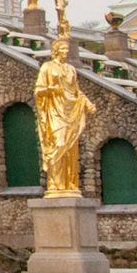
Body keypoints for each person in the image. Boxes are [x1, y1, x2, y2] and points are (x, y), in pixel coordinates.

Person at [35, 37, 97, 197]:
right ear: (55, 51)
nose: (65, 52)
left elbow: (76, 91)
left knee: (70, 150)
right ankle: (54, 184)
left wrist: (88, 103)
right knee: (59, 144)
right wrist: (50, 90)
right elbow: (38, 91)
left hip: (70, 111)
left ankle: (69, 183)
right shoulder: (47, 67)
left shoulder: (71, 69)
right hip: (55, 112)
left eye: (67, 49)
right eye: (62, 49)